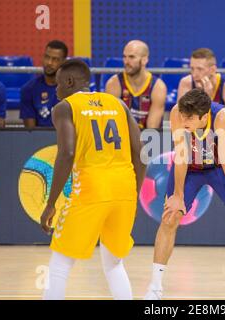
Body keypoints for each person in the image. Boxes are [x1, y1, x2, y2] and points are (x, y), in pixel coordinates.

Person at [144, 88, 225, 300]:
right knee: (170, 217)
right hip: (191, 166)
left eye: (189, 118)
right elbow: (181, 156)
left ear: (204, 117)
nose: (183, 120)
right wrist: (177, 195)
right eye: (182, 115)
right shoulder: (177, 113)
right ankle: (154, 288)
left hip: (222, 166)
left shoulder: (222, 116)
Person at [39, 59, 145, 300]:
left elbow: (66, 153)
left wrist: (50, 203)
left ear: (69, 81)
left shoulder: (65, 107)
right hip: (124, 190)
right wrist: (133, 195)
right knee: (114, 264)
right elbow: (140, 153)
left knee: (59, 265)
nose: (56, 91)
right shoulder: (118, 104)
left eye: (57, 84)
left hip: (91, 190)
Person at [105, 40, 167, 129]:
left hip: (147, 139)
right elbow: (112, 124)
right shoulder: (114, 84)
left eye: (131, 57)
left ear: (144, 60)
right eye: (124, 57)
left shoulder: (158, 87)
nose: (126, 61)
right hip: (122, 138)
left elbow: (152, 128)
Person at [177, 48, 225, 118]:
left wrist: (208, 100)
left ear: (213, 69)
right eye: (192, 69)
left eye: (200, 69)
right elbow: (180, 118)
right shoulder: (186, 82)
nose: (194, 74)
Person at [20, 40, 68, 128]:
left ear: (64, 62)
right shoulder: (28, 89)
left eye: (55, 59)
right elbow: (31, 132)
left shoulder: (72, 90)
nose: (49, 62)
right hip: (40, 140)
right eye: (47, 57)